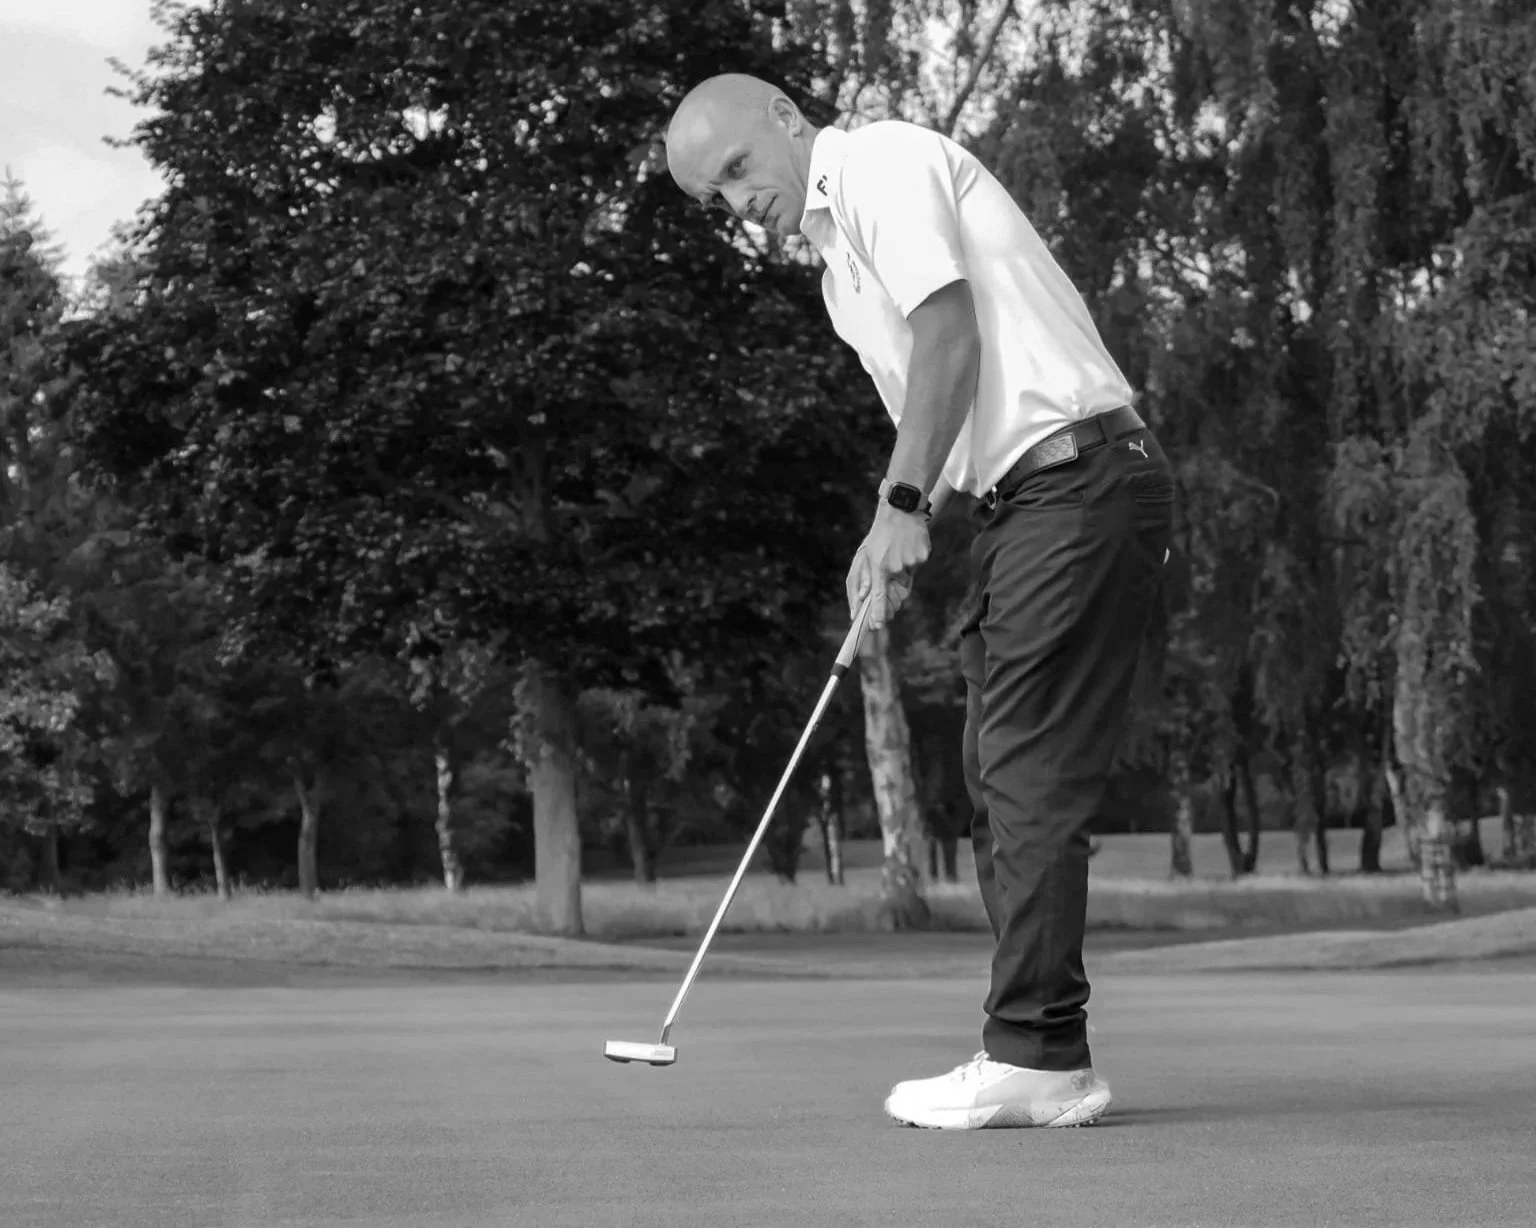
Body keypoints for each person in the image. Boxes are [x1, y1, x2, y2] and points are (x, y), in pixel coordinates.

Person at [665, 74, 1174, 1130]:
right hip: (1023, 499)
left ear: (787, 121)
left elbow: (951, 334)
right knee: (996, 772)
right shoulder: (838, 280)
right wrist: (890, 536)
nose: (737, 203)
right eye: (714, 199)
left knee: (1026, 771)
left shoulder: (884, 164)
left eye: (736, 171)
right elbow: (931, 429)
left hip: (1079, 476)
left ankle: (1036, 1055)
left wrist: (898, 503)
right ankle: (1046, 1051)